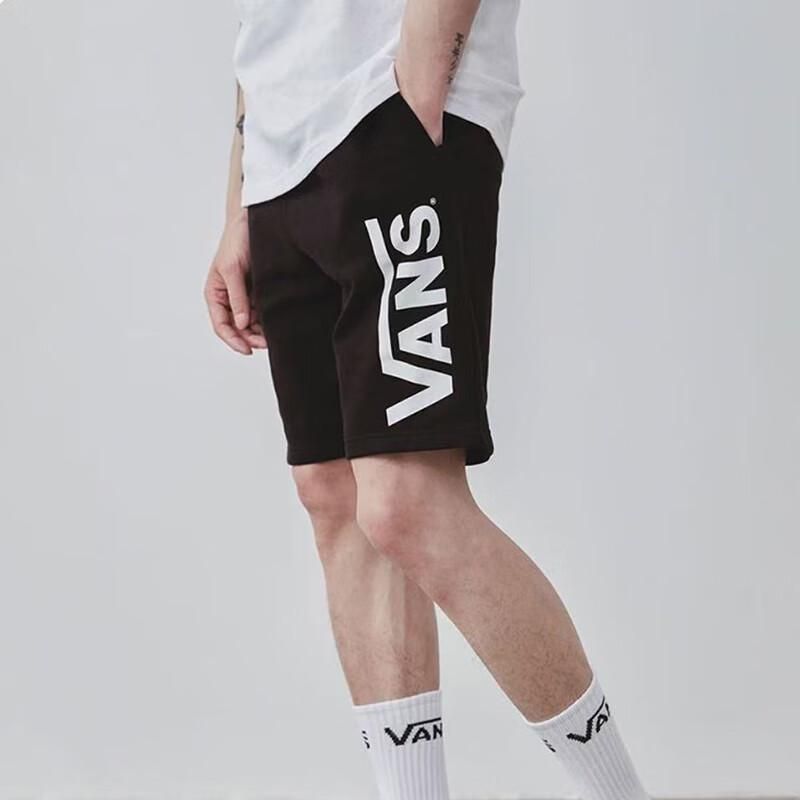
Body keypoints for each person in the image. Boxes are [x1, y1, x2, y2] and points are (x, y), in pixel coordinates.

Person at [204, 2, 651, 798]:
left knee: (407, 501)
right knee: (335, 497)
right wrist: (240, 194)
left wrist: (420, 85)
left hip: (388, 111)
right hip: (280, 151)